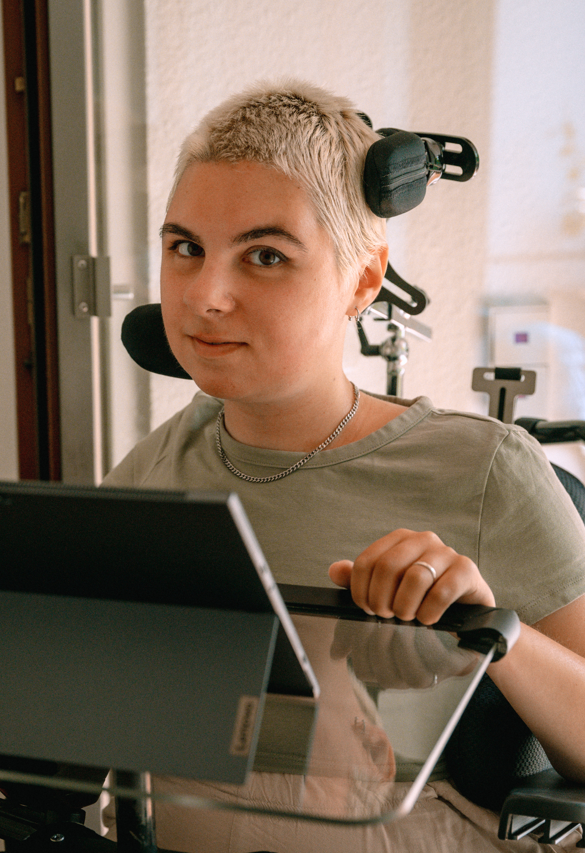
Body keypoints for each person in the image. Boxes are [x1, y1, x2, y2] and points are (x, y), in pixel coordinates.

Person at [102, 79, 585, 851]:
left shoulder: (488, 470)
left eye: (264, 255)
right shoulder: (152, 470)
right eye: (184, 248)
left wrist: (491, 629)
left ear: (361, 280)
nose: (204, 297)